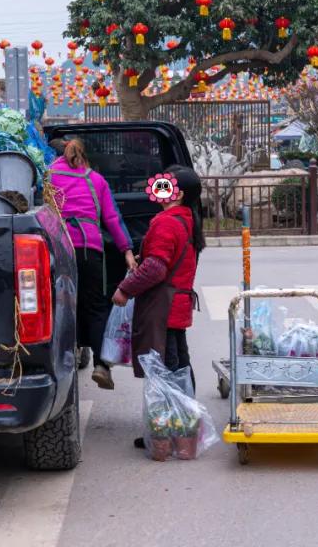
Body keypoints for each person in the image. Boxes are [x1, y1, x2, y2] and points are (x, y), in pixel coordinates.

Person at [113, 166, 204, 449]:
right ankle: (181, 432)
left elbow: (156, 268)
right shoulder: (187, 220)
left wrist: (125, 290)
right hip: (177, 306)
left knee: (164, 373)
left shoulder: (166, 222)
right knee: (177, 369)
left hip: (164, 308)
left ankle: (165, 435)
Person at [49, 139, 137, 390]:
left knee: (61, 308)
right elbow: (112, 218)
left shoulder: (48, 178)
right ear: (83, 157)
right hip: (90, 250)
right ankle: (101, 365)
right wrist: (127, 251)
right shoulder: (95, 179)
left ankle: (61, 363)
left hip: (60, 249)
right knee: (97, 308)